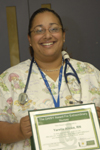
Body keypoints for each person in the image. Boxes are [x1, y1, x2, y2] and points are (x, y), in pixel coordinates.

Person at [0, 7, 100, 150]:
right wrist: (19, 131)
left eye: (54, 29)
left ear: (63, 35)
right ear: (29, 38)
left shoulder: (90, 73)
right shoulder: (10, 79)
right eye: (39, 30)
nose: (47, 35)